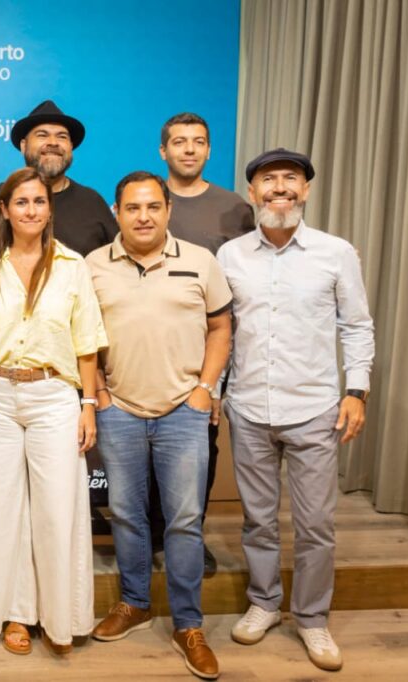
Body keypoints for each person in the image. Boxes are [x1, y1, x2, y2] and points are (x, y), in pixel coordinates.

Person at [218, 149, 374, 672]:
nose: (279, 188)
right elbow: (222, 331)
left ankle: (311, 618)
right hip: (249, 407)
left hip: (314, 409)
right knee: (258, 520)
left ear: (305, 191)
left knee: (315, 524)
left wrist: (357, 391)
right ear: (253, 193)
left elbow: (356, 325)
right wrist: (215, 394)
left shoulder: (335, 254)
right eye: (268, 180)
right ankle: (264, 603)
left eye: (290, 180)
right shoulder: (231, 256)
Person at [86, 171, 231, 680]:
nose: (143, 216)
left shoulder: (200, 262)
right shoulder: (93, 266)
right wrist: (99, 392)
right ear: (117, 211)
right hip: (120, 409)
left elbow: (220, 327)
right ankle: (134, 603)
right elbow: (85, 337)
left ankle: (188, 624)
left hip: (183, 411)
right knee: (126, 514)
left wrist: (204, 390)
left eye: (152, 207)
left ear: (167, 209)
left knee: (185, 520)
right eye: (132, 208)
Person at [0, 167, 106, 656]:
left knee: (56, 508)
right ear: (4, 210)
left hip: (54, 398)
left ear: (49, 209)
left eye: (39, 202)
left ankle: (59, 618)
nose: (31, 211)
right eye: (21, 202)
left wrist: (87, 405)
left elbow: (87, 343)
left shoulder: (71, 266)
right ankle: (15, 614)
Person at [151, 112, 257, 574]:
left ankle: (189, 538)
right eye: (179, 141)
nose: (189, 149)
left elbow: (259, 265)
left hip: (210, 351)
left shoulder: (234, 207)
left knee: (200, 451)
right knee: (145, 450)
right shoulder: (146, 199)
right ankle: (153, 538)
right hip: (151, 348)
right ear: (164, 151)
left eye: (198, 142)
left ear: (209, 150)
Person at [0, 100, 117, 259]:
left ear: (71, 147)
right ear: (23, 146)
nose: (53, 143)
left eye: (62, 136)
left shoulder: (92, 203)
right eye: (42, 135)